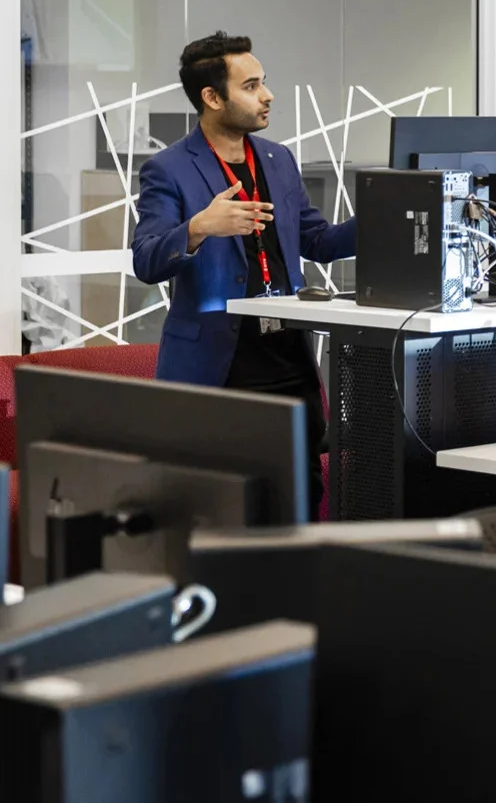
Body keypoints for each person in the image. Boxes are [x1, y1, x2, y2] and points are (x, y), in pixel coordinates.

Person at [133, 32, 356, 515]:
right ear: (212, 98)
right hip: (220, 372)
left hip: (288, 365)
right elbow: (146, 260)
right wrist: (197, 228)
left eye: (263, 83)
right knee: (223, 510)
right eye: (251, 85)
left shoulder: (278, 160)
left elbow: (318, 241)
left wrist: (388, 215)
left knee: (299, 499)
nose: (267, 95)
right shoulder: (168, 170)